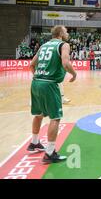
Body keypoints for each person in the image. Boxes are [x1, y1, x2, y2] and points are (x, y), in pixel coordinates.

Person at [28, 25, 77, 163]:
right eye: (66, 31)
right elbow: (66, 64)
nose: (67, 33)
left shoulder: (44, 45)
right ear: (60, 33)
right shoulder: (64, 45)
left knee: (39, 114)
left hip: (36, 82)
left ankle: (34, 142)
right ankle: (50, 153)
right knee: (55, 117)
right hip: (49, 84)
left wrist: (40, 77)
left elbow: (31, 65)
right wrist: (74, 74)